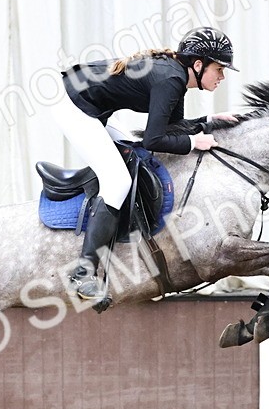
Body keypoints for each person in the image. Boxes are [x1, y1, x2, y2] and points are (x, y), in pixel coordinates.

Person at [50, 26, 240, 304]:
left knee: (135, 160)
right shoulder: (171, 80)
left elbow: (172, 127)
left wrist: (210, 121)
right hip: (73, 105)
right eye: (219, 69)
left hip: (94, 106)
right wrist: (193, 143)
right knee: (118, 182)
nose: (222, 76)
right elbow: (154, 139)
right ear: (198, 65)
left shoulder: (176, 77)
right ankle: (82, 274)